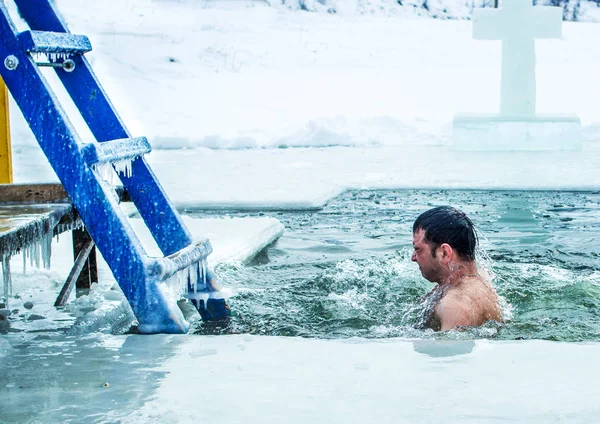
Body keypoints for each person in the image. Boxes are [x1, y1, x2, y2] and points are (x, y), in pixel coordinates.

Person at [411, 206, 503, 331]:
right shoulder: (480, 278)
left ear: (444, 253)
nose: (413, 257)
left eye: (418, 249)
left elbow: (449, 349)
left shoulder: (454, 307)